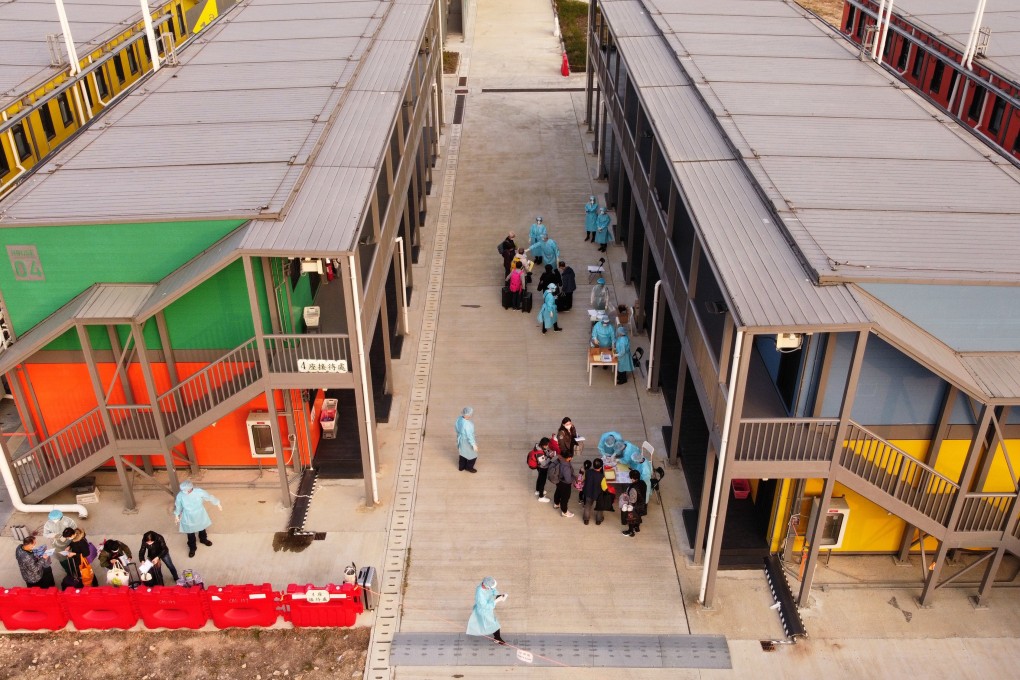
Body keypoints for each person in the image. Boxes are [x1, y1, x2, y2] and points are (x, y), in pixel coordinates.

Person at [174, 480, 222, 558]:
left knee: (202, 528)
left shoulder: (199, 492)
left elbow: (209, 497)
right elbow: (178, 505)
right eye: (183, 490)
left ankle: (203, 539)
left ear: (190, 488)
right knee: (190, 532)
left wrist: (217, 503)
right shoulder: (180, 495)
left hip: (199, 513)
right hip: (188, 515)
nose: (184, 492)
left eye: (186, 490)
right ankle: (192, 547)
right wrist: (177, 515)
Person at [466, 576, 508, 645]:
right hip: (484, 611)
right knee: (494, 624)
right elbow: (485, 606)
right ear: (487, 587)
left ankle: (497, 638)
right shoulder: (479, 594)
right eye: (490, 587)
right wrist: (496, 601)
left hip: (488, 609)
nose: (492, 588)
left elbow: (493, 590)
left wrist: (499, 596)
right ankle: (498, 638)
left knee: (493, 623)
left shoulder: (486, 584)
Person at [45, 510, 76, 580]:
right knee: (63, 561)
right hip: (57, 546)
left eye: (56, 519)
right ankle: (69, 573)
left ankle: (75, 570)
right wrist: (54, 535)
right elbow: (45, 534)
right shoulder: (48, 524)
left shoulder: (68, 521)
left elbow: (75, 530)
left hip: (69, 544)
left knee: (72, 559)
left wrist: (69, 540)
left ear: (61, 517)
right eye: (53, 520)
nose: (55, 521)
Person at [621, 469, 648, 537]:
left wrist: (626, 496)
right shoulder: (643, 483)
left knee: (631, 519)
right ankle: (637, 527)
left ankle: (630, 531)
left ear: (633, 478)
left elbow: (632, 500)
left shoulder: (633, 488)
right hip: (642, 504)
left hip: (635, 506)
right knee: (638, 516)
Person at [582, 458, 607, 526]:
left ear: (593, 465)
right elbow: (604, 488)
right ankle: (598, 520)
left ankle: (586, 519)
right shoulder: (602, 476)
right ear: (601, 467)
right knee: (599, 506)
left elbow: (584, 479)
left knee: (587, 505)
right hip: (598, 494)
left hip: (588, 492)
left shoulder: (587, 472)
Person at [553, 450, 576, 517]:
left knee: (558, 492)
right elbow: (568, 480)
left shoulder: (560, 461)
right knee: (565, 498)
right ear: (568, 457)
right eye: (571, 457)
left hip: (559, 481)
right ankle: (564, 511)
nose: (571, 458)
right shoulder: (566, 466)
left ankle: (556, 503)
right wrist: (574, 479)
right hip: (565, 484)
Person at [455, 406, 478, 473]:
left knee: (462, 453)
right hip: (467, 441)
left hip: (461, 439)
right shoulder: (468, 425)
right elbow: (469, 436)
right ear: (468, 415)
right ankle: (469, 467)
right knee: (473, 456)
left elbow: (456, 427)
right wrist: (473, 445)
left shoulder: (459, 418)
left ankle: (461, 467)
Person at [532, 437, 554, 502]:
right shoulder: (540, 453)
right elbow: (544, 463)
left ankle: (538, 490)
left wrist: (547, 454)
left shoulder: (537, 446)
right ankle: (541, 496)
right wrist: (549, 457)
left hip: (538, 466)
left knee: (539, 478)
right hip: (542, 468)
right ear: (543, 445)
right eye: (547, 445)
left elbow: (544, 454)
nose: (548, 446)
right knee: (542, 481)